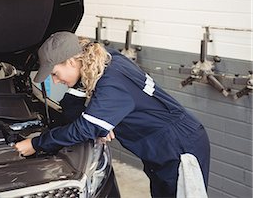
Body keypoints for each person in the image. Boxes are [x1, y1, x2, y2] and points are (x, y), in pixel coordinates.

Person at [14, 31, 210, 198]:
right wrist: (100, 123)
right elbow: (72, 106)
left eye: (55, 73)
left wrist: (36, 143)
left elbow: (84, 128)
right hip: (159, 146)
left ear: (72, 61)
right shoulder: (99, 63)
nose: (55, 81)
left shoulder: (111, 80)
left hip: (179, 147)